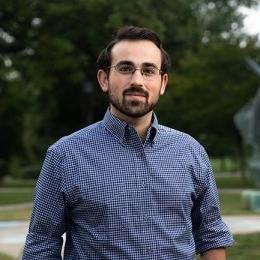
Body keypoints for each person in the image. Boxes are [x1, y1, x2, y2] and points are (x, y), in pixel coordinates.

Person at [23, 26, 233, 259]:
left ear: (162, 83)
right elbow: (42, 244)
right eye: (125, 68)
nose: (137, 80)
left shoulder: (191, 152)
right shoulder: (65, 155)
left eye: (148, 70)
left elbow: (211, 235)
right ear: (104, 79)